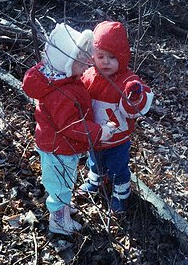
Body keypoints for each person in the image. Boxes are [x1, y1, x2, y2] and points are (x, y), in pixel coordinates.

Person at [22, 23, 115, 235]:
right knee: (60, 183)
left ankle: (62, 207)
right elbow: (72, 125)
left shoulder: (61, 80)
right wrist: (99, 131)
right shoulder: (60, 93)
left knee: (63, 181)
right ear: (65, 63)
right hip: (58, 148)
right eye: (81, 61)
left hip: (60, 146)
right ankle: (59, 220)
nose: (87, 64)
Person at [79, 21, 154, 213]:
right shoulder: (88, 75)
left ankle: (121, 195)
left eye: (112, 57)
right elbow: (77, 95)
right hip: (95, 134)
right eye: (101, 56)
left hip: (117, 138)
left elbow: (135, 109)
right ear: (93, 56)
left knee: (117, 168)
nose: (105, 62)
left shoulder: (128, 81)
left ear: (122, 58)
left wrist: (134, 95)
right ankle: (95, 180)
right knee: (95, 161)